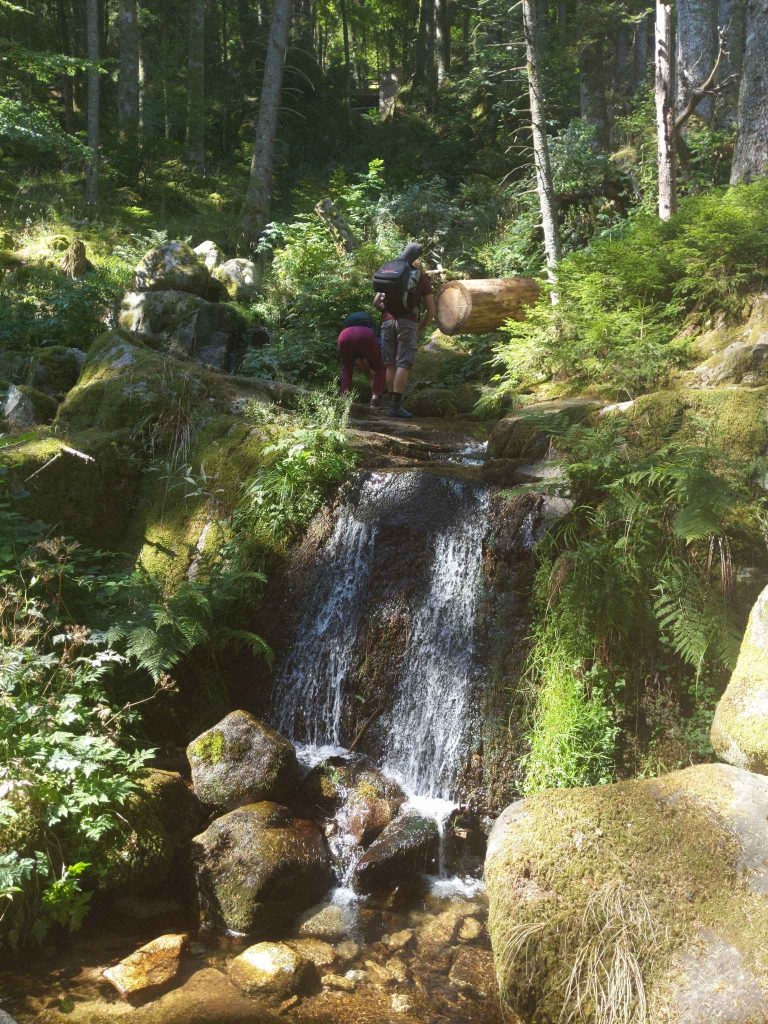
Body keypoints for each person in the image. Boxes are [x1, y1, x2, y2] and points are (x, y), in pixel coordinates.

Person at [376, 242, 435, 419]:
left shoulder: (390, 270)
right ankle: (396, 406)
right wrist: (422, 326)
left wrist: (387, 312)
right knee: (404, 363)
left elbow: (376, 301)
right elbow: (431, 310)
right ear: (417, 258)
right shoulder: (420, 276)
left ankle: (390, 405)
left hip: (387, 321)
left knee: (391, 363)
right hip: (408, 322)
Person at [337, 311, 386, 408]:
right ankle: (375, 397)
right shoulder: (370, 327)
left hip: (344, 335)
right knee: (380, 368)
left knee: (347, 368)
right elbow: (377, 344)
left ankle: (343, 396)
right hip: (366, 335)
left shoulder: (347, 327)